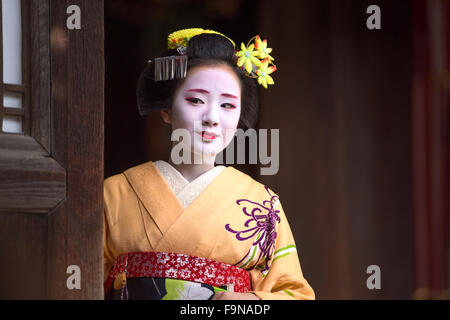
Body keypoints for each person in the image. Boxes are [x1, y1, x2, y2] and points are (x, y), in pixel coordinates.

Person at [103, 28, 315, 300]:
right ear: (166, 109)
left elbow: (295, 294)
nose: (212, 117)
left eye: (227, 105)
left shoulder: (264, 204)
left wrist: (247, 301)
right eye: (195, 100)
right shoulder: (114, 194)